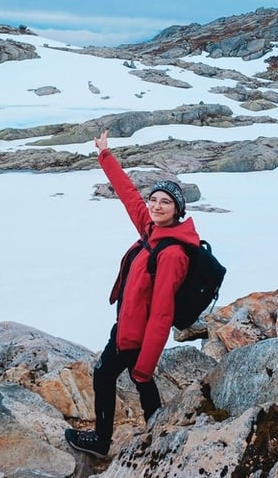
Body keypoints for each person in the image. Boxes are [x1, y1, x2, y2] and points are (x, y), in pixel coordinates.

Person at [65, 130, 200, 458]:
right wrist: (105, 156)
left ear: (177, 210)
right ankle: (158, 429)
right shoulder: (153, 231)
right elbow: (128, 196)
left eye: (165, 202)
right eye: (154, 200)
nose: (155, 205)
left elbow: (163, 313)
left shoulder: (172, 253)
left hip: (134, 334)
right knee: (142, 383)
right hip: (127, 325)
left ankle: (100, 441)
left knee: (105, 374)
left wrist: (147, 359)